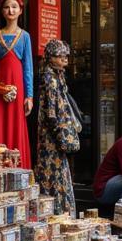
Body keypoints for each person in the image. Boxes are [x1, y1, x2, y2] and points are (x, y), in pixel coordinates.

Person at [0, 0, 33, 167]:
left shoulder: (25, 36)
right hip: (0, 85)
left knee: (16, 121)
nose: (10, 10)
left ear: (20, 11)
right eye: (6, 7)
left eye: (14, 7)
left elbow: (28, 67)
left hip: (18, 85)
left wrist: (30, 96)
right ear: (2, 11)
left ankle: (17, 166)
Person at [35, 39, 81, 216]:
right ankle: (58, 212)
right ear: (50, 57)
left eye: (65, 56)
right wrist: (60, 134)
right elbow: (52, 112)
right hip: (52, 137)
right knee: (54, 172)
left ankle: (58, 211)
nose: (64, 59)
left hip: (53, 135)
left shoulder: (56, 76)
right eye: (59, 56)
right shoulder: (50, 79)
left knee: (56, 171)